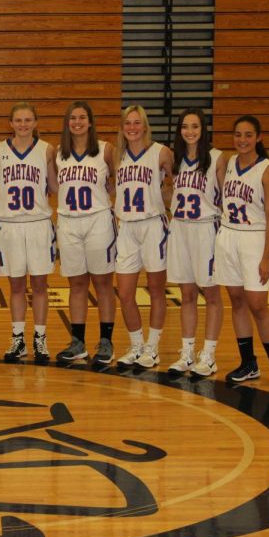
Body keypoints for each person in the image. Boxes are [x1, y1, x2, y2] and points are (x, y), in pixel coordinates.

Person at [215, 115, 269, 387]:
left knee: (258, 306)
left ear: (259, 137)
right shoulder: (229, 163)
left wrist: (265, 256)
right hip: (228, 237)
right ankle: (249, 363)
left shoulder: (267, 170)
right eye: (238, 134)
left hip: (254, 240)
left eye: (248, 135)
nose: (242, 140)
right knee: (236, 301)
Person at [49, 101, 118, 366]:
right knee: (76, 285)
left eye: (82, 118)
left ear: (90, 122)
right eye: (72, 118)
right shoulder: (58, 153)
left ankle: (106, 341)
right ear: (67, 123)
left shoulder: (105, 150)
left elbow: (116, 182)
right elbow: (55, 186)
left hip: (98, 221)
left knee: (102, 285)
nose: (77, 122)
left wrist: (103, 199)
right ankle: (77, 342)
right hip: (68, 222)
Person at [113, 104, 174, 369]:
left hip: (152, 225)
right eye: (128, 123)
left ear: (145, 126)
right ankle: (136, 344)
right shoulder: (117, 156)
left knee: (156, 289)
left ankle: (153, 347)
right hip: (126, 227)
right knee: (125, 292)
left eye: (137, 123)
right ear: (122, 127)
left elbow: (177, 184)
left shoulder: (160, 153)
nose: (132, 128)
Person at [167, 108, 226, 376]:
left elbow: (227, 197)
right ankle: (188, 353)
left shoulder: (217, 158)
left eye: (194, 127)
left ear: (203, 130)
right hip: (180, 228)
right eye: (185, 127)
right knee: (187, 294)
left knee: (211, 294)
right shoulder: (176, 158)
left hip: (206, 229)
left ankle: (210, 355)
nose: (189, 131)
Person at [0, 102, 56, 363]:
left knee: (40, 285)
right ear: (10, 123)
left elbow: (54, 186)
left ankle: (40, 339)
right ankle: (18, 338)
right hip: (10, 225)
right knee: (16, 285)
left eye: (28, 120)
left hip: (38, 223)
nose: (23, 125)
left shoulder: (47, 150)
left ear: (35, 122)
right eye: (18, 120)